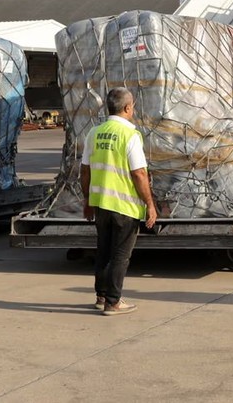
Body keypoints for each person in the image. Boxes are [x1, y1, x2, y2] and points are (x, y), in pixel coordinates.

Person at [81, 87, 157, 316]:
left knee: (103, 251)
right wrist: (150, 204)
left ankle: (101, 296)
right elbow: (139, 174)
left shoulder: (94, 133)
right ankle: (113, 302)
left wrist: (87, 200)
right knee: (121, 255)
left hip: (101, 204)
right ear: (127, 108)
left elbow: (84, 171)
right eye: (132, 105)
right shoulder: (130, 135)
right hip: (124, 206)